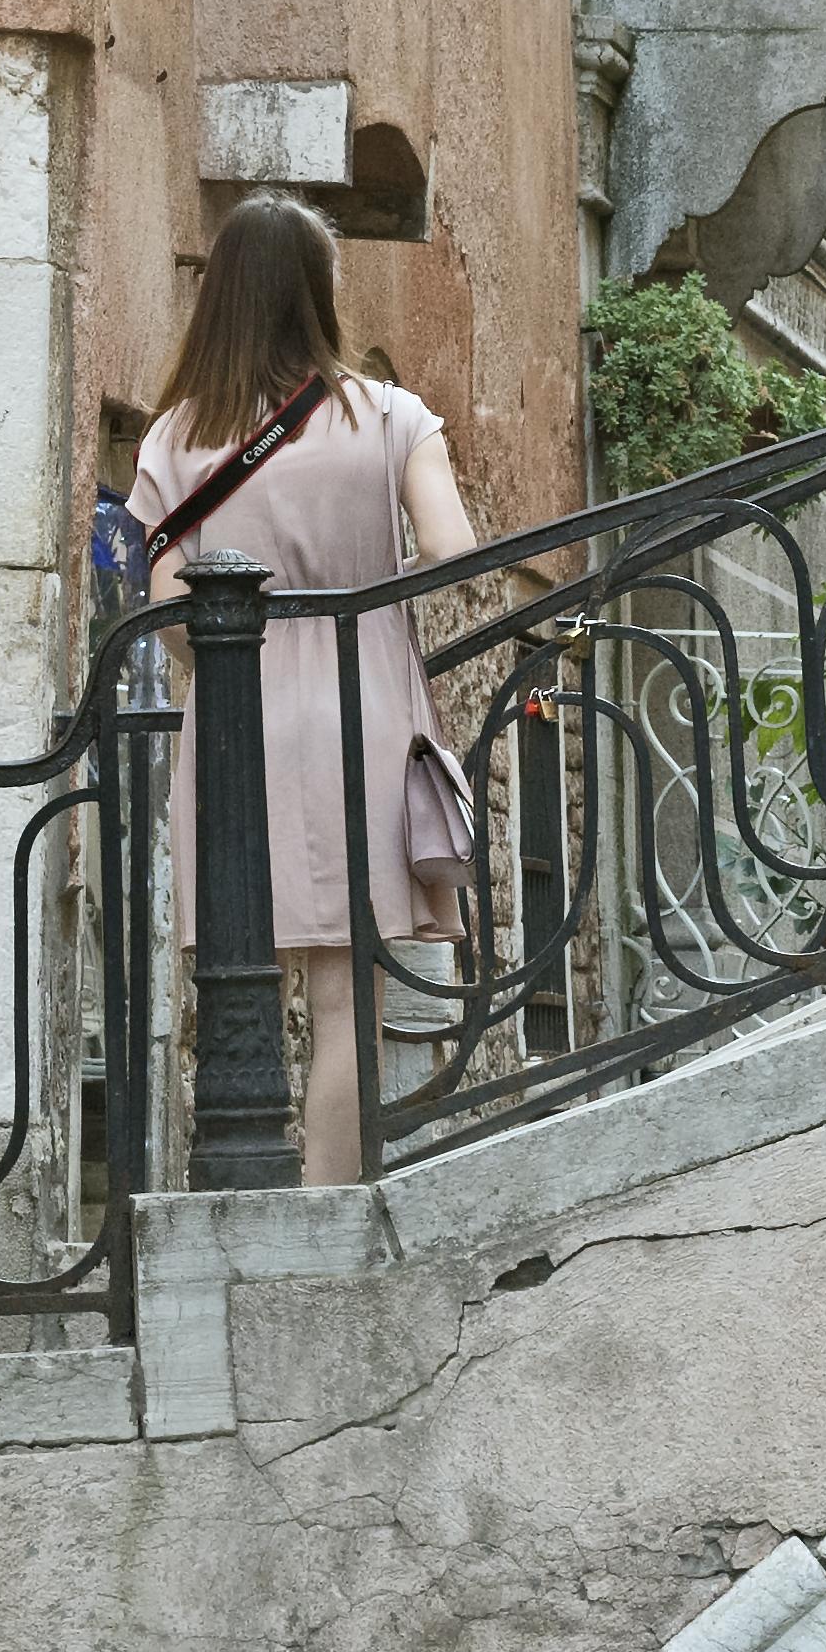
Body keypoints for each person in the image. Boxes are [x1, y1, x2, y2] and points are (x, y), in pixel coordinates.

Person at [128, 197, 486, 1183]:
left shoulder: (170, 443)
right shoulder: (391, 418)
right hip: (363, 717)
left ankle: (240, 1189)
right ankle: (325, 1215)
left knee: (241, 982)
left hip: (236, 730)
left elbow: (162, 612)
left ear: (221, 296)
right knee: (346, 1004)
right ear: (317, 294)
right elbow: (452, 554)